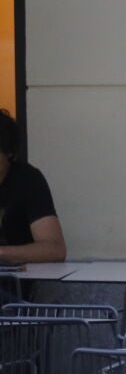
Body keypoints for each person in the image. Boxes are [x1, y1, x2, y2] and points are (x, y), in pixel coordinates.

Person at [0, 111, 65, 264]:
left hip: (18, 276)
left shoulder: (27, 179)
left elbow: (55, 249)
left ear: (10, 154)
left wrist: (2, 253)